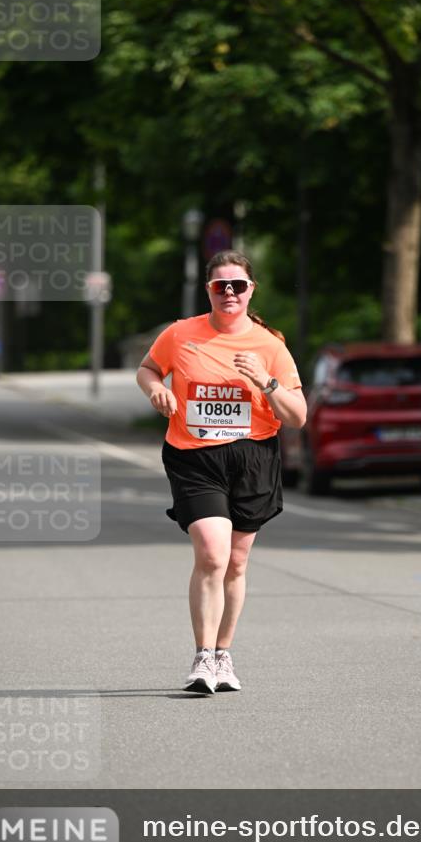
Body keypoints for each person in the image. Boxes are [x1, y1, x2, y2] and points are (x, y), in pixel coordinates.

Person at [136, 250, 307, 694]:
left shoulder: (270, 346)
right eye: (220, 286)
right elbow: (149, 368)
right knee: (212, 553)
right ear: (208, 290)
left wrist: (266, 383)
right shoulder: (180, 334)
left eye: (238, 285)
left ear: (252, 290)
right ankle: (202, 657)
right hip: (195, 456)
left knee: (235, 561)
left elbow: (298, 416)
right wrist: (156, 389)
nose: (229, 292)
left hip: (252, 457)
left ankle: (224, 655)